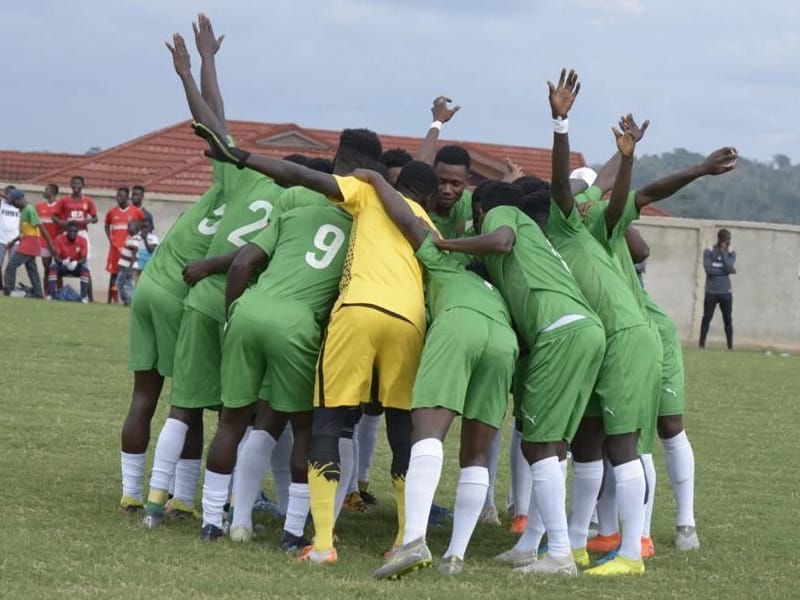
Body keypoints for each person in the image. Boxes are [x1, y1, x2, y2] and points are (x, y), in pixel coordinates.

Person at [193, 118, 434, 564]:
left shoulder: (324, 202)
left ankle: (240, 524)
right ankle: (392, 537)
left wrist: (238, 156)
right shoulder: (421, 224)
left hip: (305, 313)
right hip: (397, 322)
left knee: (259, 421)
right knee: (392, 433)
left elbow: (247, 257)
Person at [361, 163, 518, 579]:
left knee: (428, 434)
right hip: (503, 339)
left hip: (458, 325)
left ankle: (412, 542)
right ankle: (455, 556)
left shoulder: (447, 263)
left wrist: (378, 181)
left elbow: (408, 219)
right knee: (477, 454)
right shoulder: (498, 290)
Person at [538, 71, 662, 577]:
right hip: (599, 343)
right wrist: (623, 156)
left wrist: (561, 124)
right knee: (589, 442)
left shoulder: (584, 226)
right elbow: (605, 184)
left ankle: (633, 551)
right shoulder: (571, 234)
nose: (569, 191)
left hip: (624, 340)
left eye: (575, 189)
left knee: (623, 446)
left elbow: (608, 191)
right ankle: (583, 539)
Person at [189, 200, 352, 552]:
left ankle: (212, 523)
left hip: (250, 311)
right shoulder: (361, 228)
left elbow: (243, 262)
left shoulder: (294, 212)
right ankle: (292, 533)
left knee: (232, 422)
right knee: (305, 428)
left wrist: (233, 312)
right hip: (297, 323)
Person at [118, 19, 229, 515]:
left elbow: (214, 122)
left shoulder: (231, 178)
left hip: (150, 284)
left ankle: (130, 491)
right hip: (183, 292)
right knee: (189, 397)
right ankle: (183, 497)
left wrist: (197, 66)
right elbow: (216, 123)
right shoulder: (260, 191)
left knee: (145, 394)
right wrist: (202, 64)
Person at [3, 189, 55, 298]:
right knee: (32, 270)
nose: (13, 205)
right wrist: (13, 242)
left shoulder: (29, 210)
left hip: (29, 244)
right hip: (28, 242)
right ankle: (38, 293)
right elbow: (25, 232)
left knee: (11, 266)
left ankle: (8, 291)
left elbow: (40, 226)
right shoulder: (23, 210)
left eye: (13, 203)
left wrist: (50, 242)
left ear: (20, 199)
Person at [105, 187, 145, 303]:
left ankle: (129, 299)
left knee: (129, 275)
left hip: (129, 249)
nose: (119, 198)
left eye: (121, 196)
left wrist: (138, 238)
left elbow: (143, 223)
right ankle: (111, 300)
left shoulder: (135, 211)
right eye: (117, 195)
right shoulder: (112, 212)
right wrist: (110, 239)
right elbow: (106, 225)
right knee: (114, 274)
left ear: (127, 197)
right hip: (115, 248)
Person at [700, 229, 736, 349]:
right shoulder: (709, 252)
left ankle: (730, 346)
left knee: (728, 319)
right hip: (711, 291)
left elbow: (729, 267)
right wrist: (725, 271)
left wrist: (723, 254)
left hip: (725, 292)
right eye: (726, 240)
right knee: (707, 318)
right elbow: (708, 270)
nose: (727, 243)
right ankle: (701, 344)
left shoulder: (731, 253)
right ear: (720, 240)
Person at [48, 221, 90, 302]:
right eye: (70, 231)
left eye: (74, 231)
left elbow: (84, 258)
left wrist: (77, 263)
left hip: (76, 266)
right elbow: (56, 257)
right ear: (66, 231)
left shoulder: (83, 240)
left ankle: (84, 297)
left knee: (85, 269)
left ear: (77, 232)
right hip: (63, 265)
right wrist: (63, 262)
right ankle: (51, 295)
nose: (72, 233)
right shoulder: (59, 239)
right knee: (53, 267)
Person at [36, 184, 62, 293]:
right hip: (44, 243)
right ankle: (47, 293)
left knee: (59, 270)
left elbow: (62, 226)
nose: (44, 192)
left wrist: (57, 241)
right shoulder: (39, 206)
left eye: (46, 190)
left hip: (57, 244)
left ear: (52, 192)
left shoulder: (60, 206)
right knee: (47, 269)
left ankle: (60, 293)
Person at [117, 221, 142, 306]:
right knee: (120, 283)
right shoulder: (130, 237)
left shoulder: (136, 238)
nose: (127, 229)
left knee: (129, 284)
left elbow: (134, 254)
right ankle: (126, 300)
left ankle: (131, 302)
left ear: (136, 229)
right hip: (124, 266)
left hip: (129, 267)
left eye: (129, 227)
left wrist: (129, 268)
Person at [0, 185, 20, 290]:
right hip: (1, 239)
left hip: (15, 241)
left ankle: (10, 288)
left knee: (12, 266)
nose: (9, 196)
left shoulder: (19, 206)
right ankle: (0, 287)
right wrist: (6, 196)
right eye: (7, 193)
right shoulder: (2, 203)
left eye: (11, 193)